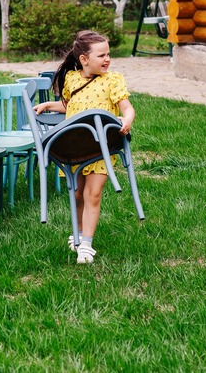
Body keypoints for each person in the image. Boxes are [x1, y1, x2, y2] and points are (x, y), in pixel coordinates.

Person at [33, 30, 135, 264]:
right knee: (77, 193)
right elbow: (71, 105)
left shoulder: (113, 80)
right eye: (101, 55)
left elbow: (127, 107)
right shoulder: (72, 79)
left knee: (93, 193)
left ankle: (86, 244)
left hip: (101, 146)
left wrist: (127, 119)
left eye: (108, 54)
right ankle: (77, 234)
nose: (107, 59)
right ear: (84, 59)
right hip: (74, 145)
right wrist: (50, 105)